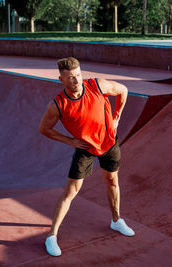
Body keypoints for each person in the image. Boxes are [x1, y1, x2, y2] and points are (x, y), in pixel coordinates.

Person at [39, 57, 135, 257]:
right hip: (85, 148)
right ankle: (52, 236)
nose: (76, 80)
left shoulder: (96, 85)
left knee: (112, 180)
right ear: (61, 80)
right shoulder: (58, 105)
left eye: (78, 75)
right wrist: (69, 141)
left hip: (109, 143)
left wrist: (117, 116)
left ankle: (116, 220)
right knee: (71, 191)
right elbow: (45, 129)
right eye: (70, 78)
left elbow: (123, 90)